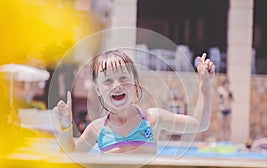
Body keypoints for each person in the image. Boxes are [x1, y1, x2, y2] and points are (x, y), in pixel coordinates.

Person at [53, 49, 215, 154]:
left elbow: (199, 124)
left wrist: (204, 85)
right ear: (97, 90)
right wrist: (65, 127)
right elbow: (70, 158)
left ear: (135, 83)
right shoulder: (96, 129)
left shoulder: (153, 120)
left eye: (123, 78)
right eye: (108, 81)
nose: (117, 85)